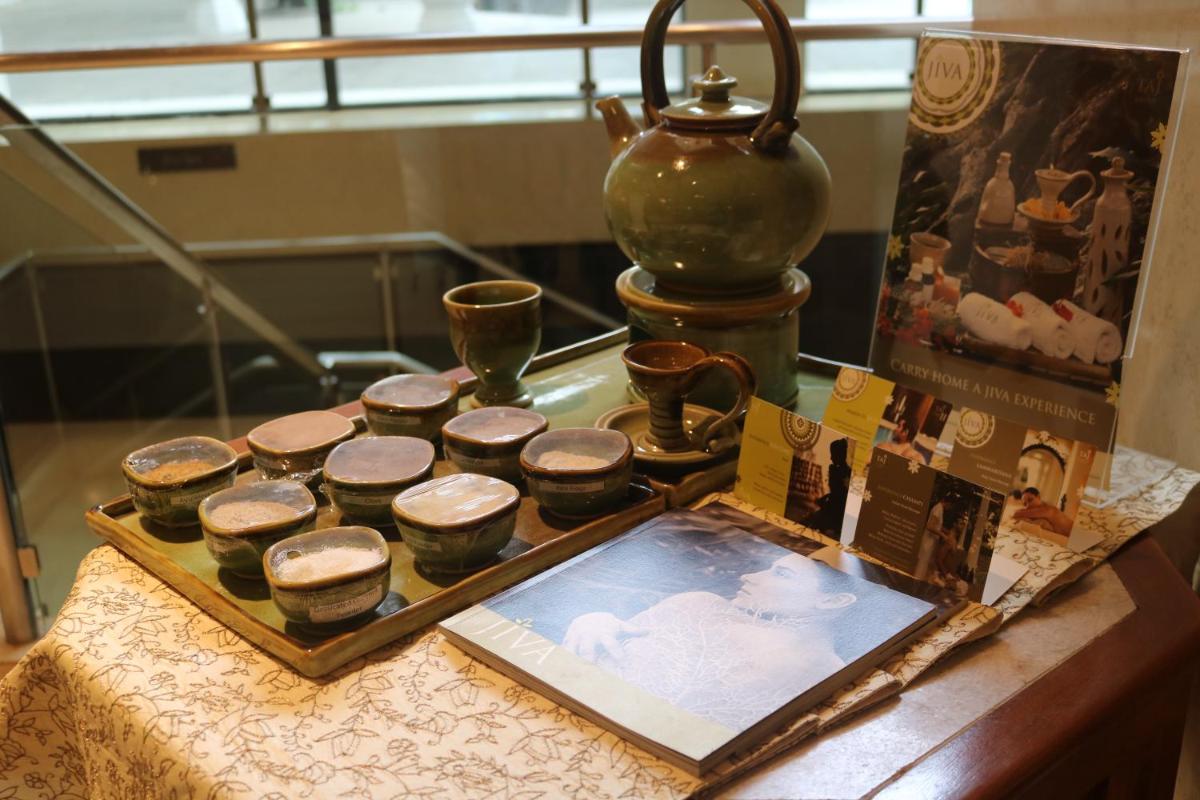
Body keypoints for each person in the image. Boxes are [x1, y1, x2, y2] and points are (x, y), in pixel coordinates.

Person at [560, 553, 856, 731]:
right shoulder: (701, 605)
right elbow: (584, 660)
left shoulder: (834, 674)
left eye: (782, 574)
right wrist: (594, 620)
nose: (749, 576)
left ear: (832, 600)